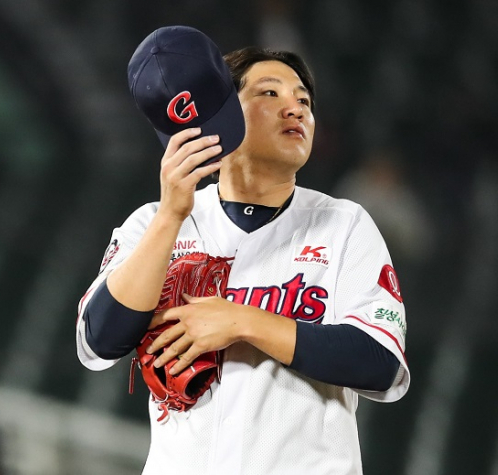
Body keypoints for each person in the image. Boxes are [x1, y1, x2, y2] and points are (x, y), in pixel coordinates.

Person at [76, 26, 410, 475]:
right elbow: (99, 341)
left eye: (305, 100)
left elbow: (380, 362)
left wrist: (243, 321)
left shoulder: (343, 224)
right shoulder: (152, 223)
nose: (296, 107)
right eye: (270, 92)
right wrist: (171, 216)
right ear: (223, 110)